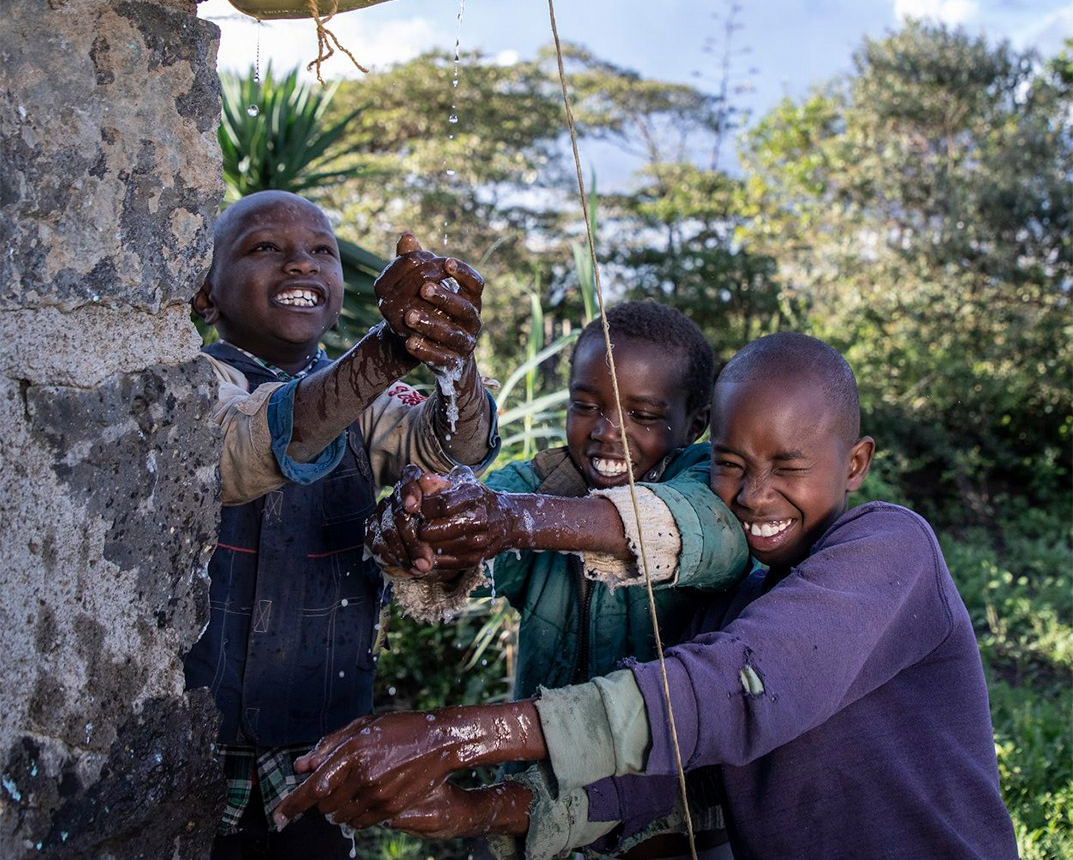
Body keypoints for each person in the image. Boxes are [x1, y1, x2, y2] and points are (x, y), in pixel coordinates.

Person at [274, 332, 1019, 860]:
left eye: (787, 465)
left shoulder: (893, 547)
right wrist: (466, 808)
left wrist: (448, 733)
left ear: (854, 463)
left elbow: (730, 690)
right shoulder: (733, 604)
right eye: (733, 463)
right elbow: (654, 778)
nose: (754, 493)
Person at [183, 190, 500, 859]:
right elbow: (251, 446)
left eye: (321, 251)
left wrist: (451, 356)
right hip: (190, 742)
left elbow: (453, 447)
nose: (301, 264)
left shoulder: (373, 404)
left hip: (318, 750)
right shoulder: (186, 382)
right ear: (206, 293)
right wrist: (388, 348)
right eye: (264, 248)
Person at [376, 302, 749, 712]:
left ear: (695, 425)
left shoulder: (707, 475)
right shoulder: (543, 482)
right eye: (586, 407)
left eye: (642, 415)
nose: (608, 432)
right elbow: (471, 543)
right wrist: (428, 523)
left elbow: (700, 527)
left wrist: (514, 520)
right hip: (537, 772)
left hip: (666, 770)